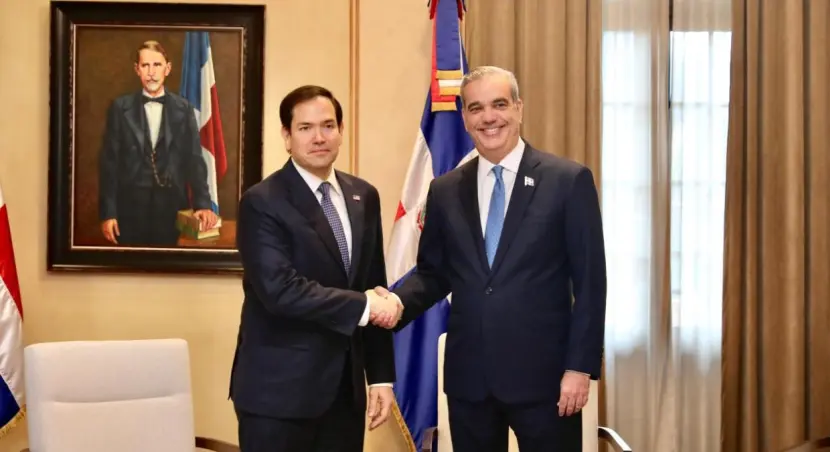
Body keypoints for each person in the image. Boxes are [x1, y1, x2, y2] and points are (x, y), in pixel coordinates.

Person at [372, 66, 607, 452]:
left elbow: (591, 285)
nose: (488, 117)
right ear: (465, 118)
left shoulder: (567, 181)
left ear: (519, 108)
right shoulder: (445, 190)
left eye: (499, 104)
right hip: (471, 383)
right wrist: (397, 301)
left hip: (546, 382)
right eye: (476, 108)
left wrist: (579, 367)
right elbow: (434, 274)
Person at [228, 85, 402, 452]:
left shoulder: (363, 196)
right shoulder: (262, 202)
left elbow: (375, 285)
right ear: (287, 136)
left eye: (328, 126)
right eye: (305, 128)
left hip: (344, 395)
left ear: (341, 131)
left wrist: (381, 377)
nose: (319, 137)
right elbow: (280, 290)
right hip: (278, 397)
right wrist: (365, 306)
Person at [98, 40, 218, 247]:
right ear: (137, 69)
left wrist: (202, 204)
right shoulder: (119, 108)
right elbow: (109, 165)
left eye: (157, 65)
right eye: (145, 65)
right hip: (130, 211)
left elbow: (194, 160)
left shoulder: (184, 109)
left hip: (172, 210)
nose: (151, 72)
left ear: (167, 68)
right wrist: (108, 213)